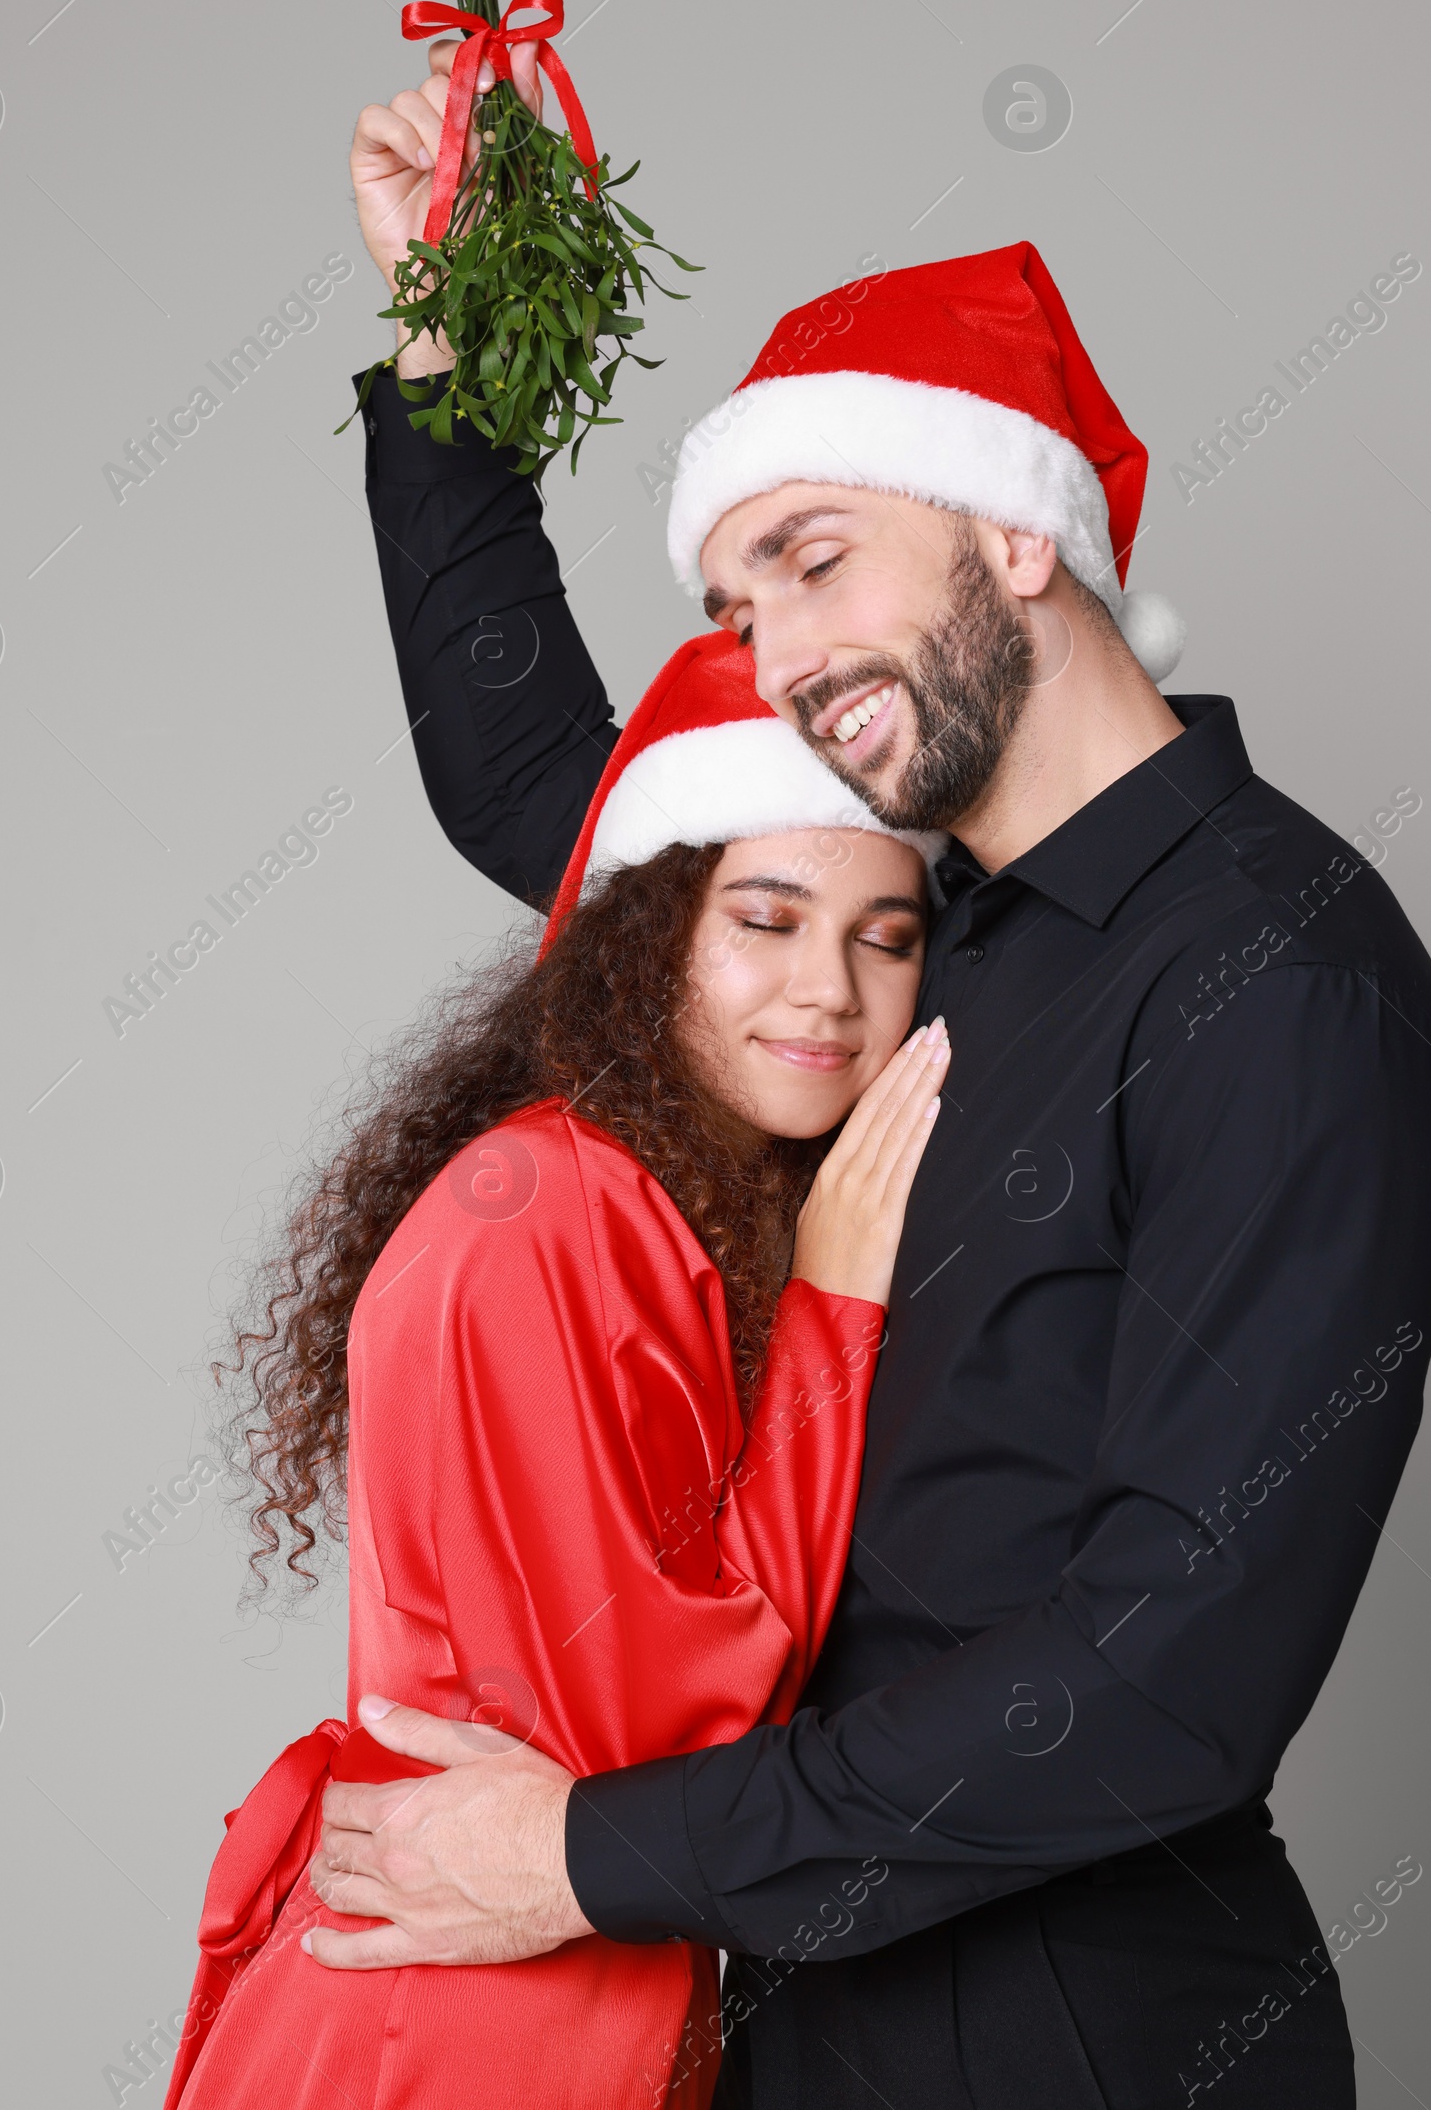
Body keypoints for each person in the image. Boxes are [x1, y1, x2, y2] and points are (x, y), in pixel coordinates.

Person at [309, 45, 1431, 2108]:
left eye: (815, 557)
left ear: (1012, 530)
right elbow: (562, 806)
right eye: (734, 600)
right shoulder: (913, 944)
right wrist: (443, 347)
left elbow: (1163, 1687)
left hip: (1079, 2044)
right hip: (788, 2015)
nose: (773, 652)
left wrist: (578, 1857)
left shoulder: (1285, 983)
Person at [161, 626, 951, 2110]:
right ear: (652, 934)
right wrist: (840, 1306)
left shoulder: (684, 1209)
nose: (833, 994)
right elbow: (660, 1731)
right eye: (767, 921)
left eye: (887, 937)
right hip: (449, 2030)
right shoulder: (541, 1215)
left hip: (567, 1998)